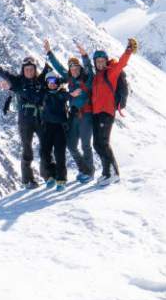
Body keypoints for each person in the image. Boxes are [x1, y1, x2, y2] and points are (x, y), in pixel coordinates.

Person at [0, 46, 46, 187]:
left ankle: (48, 175)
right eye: (26, 69)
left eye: (31, 69)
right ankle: (27, 180)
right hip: (25, 121)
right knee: (27, 150)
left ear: (35, 70)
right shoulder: (17, 81)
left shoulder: (40, 81)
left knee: (46, 147)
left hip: (40, 119)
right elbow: (0, 71)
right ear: (23, 70)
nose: (29, 71)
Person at [82, 38, 138, 181]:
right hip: (96, 114)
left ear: (106, 61)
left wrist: (128, 51)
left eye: (102, 61)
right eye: (98, 61)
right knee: (97, 144)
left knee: (103, 143)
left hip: (106, 113)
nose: (100, 63)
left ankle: (114, 173)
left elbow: (121, 64)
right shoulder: (96, 77)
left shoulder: (111, 73)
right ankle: (107, 172)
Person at [44, 43, 94, 181]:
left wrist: (84, 55)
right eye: (71, 68)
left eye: (76, 68)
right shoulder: (69, 78)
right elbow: (59, 67)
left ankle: (89, 172)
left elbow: (89, 67)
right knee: (71, 145)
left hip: (86, 115)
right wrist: (49, 53)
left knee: (85, 145)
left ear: (80, 68)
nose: (74, 70)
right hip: (73, 116)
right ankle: (84, 169)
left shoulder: (87, 78)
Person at [38, 73, 72, 188]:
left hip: (60, 127)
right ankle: (51, 175)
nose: (51, 83)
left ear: (57, 82)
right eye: (49, 81)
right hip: (47, 126)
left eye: (53, 81)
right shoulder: (44, 94)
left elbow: (69, 94)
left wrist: (63, 83)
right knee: (44, 152)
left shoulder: (62, 94)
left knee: (59, 154)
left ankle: (61, 179)